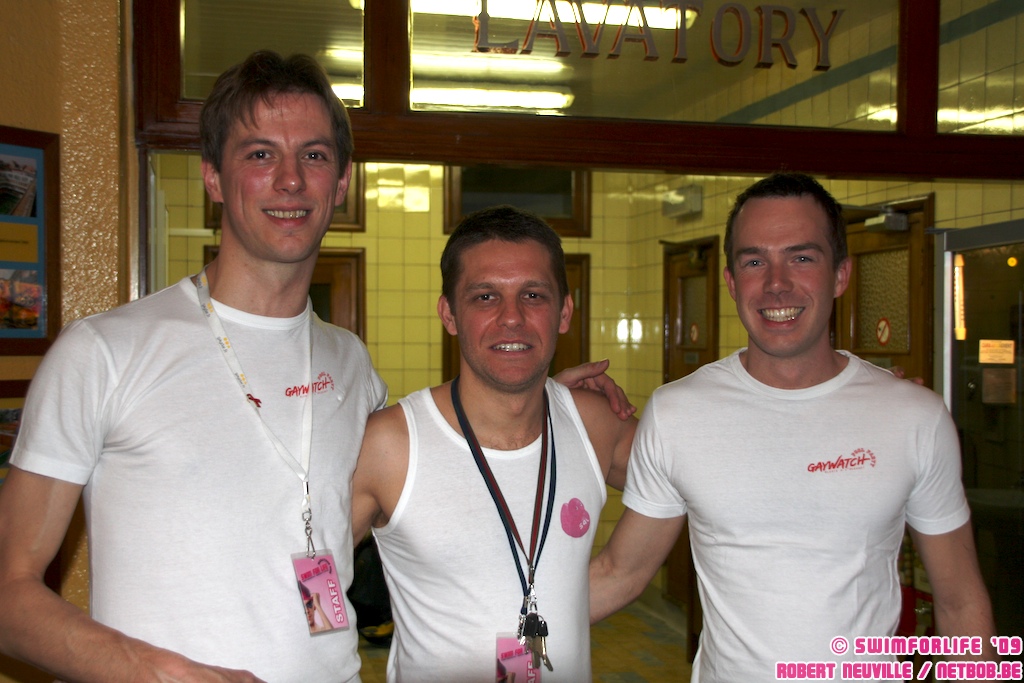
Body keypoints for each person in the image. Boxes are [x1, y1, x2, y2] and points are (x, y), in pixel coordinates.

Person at [0, 52, 628, 683]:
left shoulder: (350, 363)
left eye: (315, 155)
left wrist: (532, 395)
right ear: (213, 177)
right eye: (260, 154)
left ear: (342, 182)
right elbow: (9, 594)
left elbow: (421, 468)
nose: (291, 180)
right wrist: (156, 673)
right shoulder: (104, 353)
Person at [589, 173, 997, 682]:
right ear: (731, 282)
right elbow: (619, 574)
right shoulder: (678, 413)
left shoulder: (915, 416)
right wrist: (498, 639)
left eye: (801, 258)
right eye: (754, 261)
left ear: (840, 275)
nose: (776, 283)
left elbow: (960, 602)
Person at [351, 205, 637, 681]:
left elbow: (692, 475)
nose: (512, 318)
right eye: (485, 296)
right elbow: (301, 576)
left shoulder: (595, 426)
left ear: (564, 312)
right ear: (449, 314)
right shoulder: (390, 445)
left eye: (533, 295)